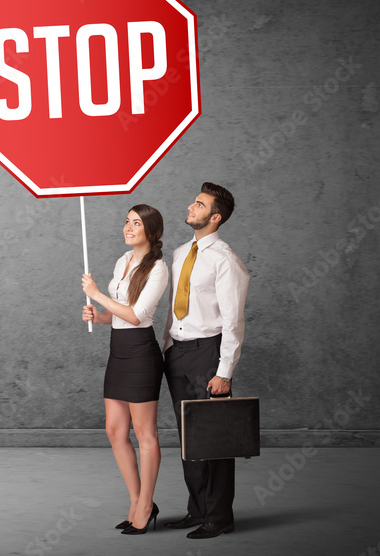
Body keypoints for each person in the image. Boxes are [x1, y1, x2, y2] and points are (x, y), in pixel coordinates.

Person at [161, 182, 249, 540]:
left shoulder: (226, 260)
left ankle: (220, 516)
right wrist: (166, 346)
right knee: (188, 439)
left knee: (213, 437)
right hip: (177, 353)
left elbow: (233, 320)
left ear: (215, 217)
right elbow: (173, 307)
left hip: (208, 353)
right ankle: (197, 510)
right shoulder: (181, 252)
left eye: (198, 204)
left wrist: (224, 371)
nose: (190, 206)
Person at [81, 204, 168, 535]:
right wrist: (98, 316)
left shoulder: (158, 268)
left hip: (141, 355)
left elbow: (137, 315)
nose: (128, 227)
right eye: (127, 221)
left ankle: (147, 504)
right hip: (118, 351)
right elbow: (119, 316)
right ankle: (135, 501)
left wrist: (97, 294)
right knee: (115, 431)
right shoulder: (122, 261)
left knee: (146, 434)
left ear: (152, 231)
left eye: (136, 223)